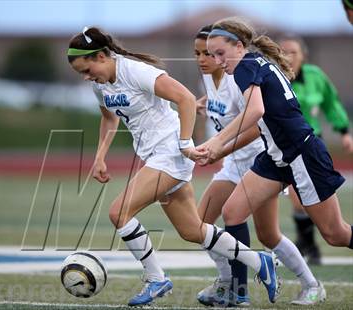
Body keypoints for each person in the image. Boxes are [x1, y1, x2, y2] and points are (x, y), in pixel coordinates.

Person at [67, 26, 280, 306]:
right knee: (192, 230)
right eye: (81, 73)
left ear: (103, 55)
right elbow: (109, 118)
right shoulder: (100, 84)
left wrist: (183, 144)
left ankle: (156, 280)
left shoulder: (136, 72)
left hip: (169, 152)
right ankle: (259, 261)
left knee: (119, 213)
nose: (86, 77)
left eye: (87, 69)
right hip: (153, 155)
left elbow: (186, 99)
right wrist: (99, 156)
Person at [197, 18, 353, 277]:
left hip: (302, 154)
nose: (218, 60)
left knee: (335, 234)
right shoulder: (252, 62)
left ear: (238, 46)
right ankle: (238, 290)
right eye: (213, 55)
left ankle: (303, 283)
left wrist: (217, 140)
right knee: (233, 213)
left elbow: (255, 110)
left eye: (220, 53)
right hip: (276, 156)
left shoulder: (246, 65)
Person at [278, 35, 353, 264]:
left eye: (293, 52)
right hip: (282, 147)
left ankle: (307, 242)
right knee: (297, 200)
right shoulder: (274, 76)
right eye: (283, 52)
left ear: (304, 56)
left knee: (315, 207)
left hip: (312, 144)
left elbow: (332, 103)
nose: (288, 57)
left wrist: (344, 131)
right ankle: (307, 243)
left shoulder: (315, 76)